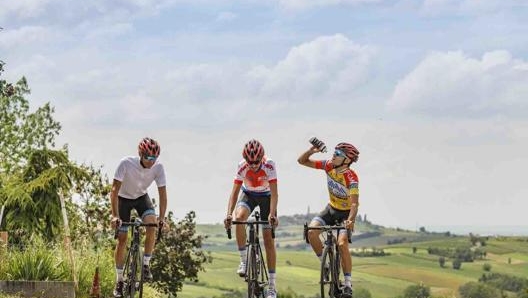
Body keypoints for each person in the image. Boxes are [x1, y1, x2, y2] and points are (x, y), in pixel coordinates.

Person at [297, 140, 360, 298]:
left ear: (346, 160)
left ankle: (347, 283)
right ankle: (325, 266)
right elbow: (302, 161)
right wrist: (312, 151)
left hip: (345, 214)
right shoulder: (328, 166)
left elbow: (354, 204)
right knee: (311, 232)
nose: (334, 155)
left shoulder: (351, 177)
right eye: (334, 152)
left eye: (338, 154)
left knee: (341, 243)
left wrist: (350, 220)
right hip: (331, 209)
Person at [110, 137, 167, 298]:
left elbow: (163, 194)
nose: (151, 161)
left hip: (142, 198)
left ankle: (146, 265)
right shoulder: (126, 163)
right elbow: (114, 191)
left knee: (152, 225)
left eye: (154, 158)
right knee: (122, 238)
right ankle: (119, 280)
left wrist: (162, 218)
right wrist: (114, 216)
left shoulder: (158, 167)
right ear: (141, 154)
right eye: (148, 157)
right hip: (123, 200)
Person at [224, 139, 279, 298]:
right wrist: (228, 213)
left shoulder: (269, 165)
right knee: (239, 218)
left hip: (267, 197)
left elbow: (275, 193)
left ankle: (272, 286)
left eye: (256, 162)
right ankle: (244, 260)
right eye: (250, 162)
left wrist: (272, 214)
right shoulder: (242, 165)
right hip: (248, 195)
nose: (253, 165)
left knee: (268, 239)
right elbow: (234, 193)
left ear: (262, 157)